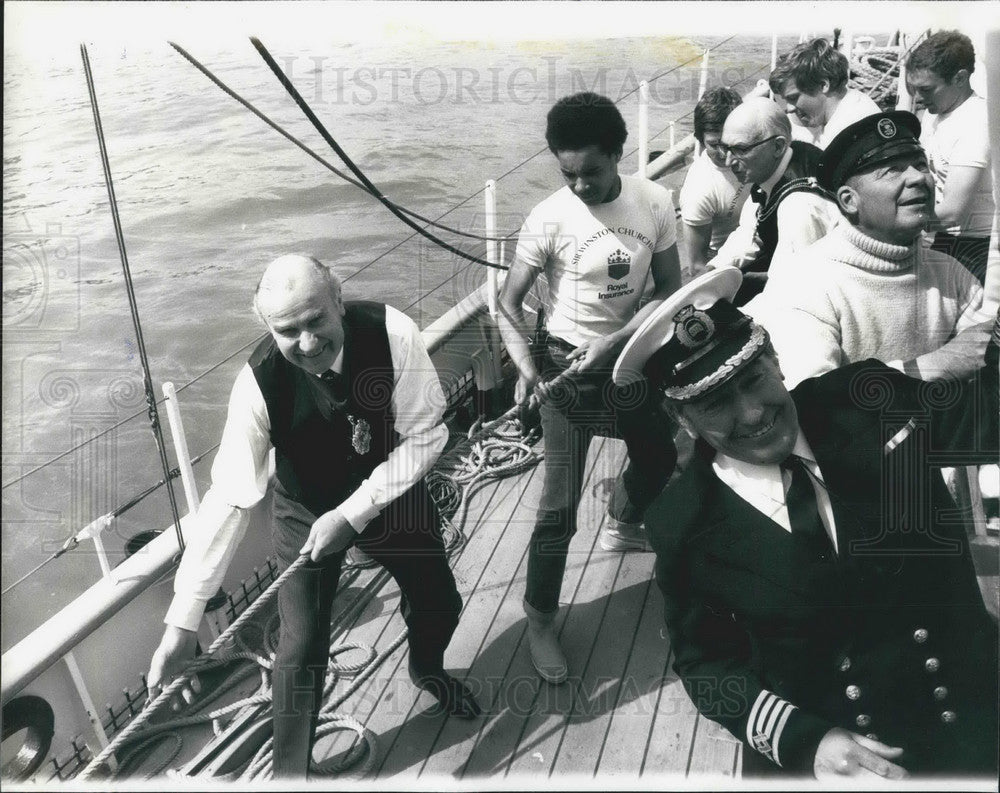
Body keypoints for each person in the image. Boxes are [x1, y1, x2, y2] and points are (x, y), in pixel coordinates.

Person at [612, 267, 999, 780]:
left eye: (753, 380)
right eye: (714, 402)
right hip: (832, 761)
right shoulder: (682, 524)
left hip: (969, 719)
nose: (751, 414)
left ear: (774, 360)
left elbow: (984, 421)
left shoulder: (865, 400)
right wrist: (805, 741)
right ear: (682, 419)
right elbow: (706, 667)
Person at [147, 255, 480, 779]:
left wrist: (353, 513)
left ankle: (428, 669)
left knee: (439, 601)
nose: (307, 342)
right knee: (300, 651)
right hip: (304, 508)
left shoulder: (393, 333)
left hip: (390, 492)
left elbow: (427, 434)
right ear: (267, 328)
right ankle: (290, 776)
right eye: (287, 330)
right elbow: (231, 497)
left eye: (315, 321)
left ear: (339, 303)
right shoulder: (257, 384)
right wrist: (181, 622)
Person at [497, 92, 681, 685]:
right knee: (556, 511)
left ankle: (624, 520)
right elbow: (507, 303)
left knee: (656, 457)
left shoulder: (655, 201)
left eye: (592, 172)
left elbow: (667, 291)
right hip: (566, 370)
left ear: (619, 155)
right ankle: (541, 618)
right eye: (567, 173)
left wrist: (618, 339)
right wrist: (527, 368)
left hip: (633, 358)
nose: (579, 185)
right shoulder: (548, 216)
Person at [748, 110, 992, 390]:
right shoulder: (805, 287)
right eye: (892, 170)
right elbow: (814, 401)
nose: (917, 178)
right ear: (849, 201)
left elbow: (983, 355)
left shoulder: (953, 275)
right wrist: (930, 367)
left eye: (921, 165)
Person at [707, 97, 839, 304]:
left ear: (778, 146)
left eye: (741, 150)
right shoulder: (783, 161)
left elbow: (794, 290)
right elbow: (751, 230)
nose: (729, 161)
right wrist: (713, 269)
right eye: (726, 148)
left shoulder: (799, 207)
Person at [906, 29, 996, 283]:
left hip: (973, 248)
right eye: (914, 89)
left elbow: (953, 211)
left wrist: (893, 224)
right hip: (939, 236)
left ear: (960, 78)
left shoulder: (977, 122)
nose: (919, 99)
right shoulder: (936, 113)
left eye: (926, 89)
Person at [679, 87, 753, 273]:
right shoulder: (698, 189)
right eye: (714, 144)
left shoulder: (759, 150)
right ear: (700, 139)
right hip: (726, 261)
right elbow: (697, 266)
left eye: (730, 143)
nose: (725, 154)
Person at [769, 37, 880, 150]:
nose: (789, 109)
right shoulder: (852, 102)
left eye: (793, 97)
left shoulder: (850, 132)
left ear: (823, 85)